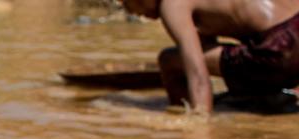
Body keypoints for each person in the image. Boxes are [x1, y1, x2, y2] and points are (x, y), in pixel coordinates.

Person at [120, 0, 299, 113]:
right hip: (293, 28)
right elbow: (208, 49)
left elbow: (198, 75)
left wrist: (200, 128)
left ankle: (183, 110)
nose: (129, 10)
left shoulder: (172, 5)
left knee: (169, 61)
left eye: (125, 1)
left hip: (280, 49)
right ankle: (263, 97)